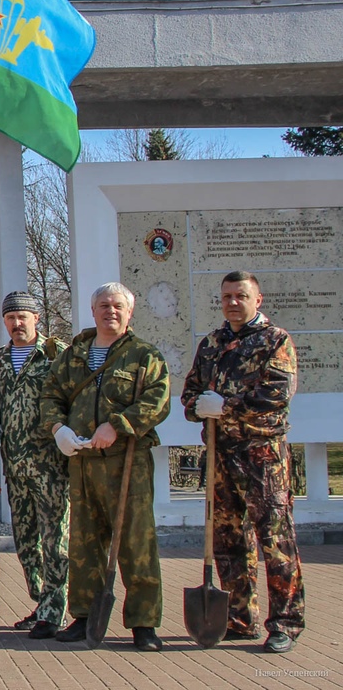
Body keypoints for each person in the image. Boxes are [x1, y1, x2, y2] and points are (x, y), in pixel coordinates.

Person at [40, 282, 170, 652]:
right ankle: (82, 616)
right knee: (84, 541)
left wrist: (118, 425)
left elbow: (157, 400)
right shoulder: (74, 354)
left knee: (135, 542)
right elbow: (51, 394)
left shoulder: (144, 355)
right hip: (82, 461)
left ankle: (144, 623)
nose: (110, 312)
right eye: (103, 306)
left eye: (117, 306)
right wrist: (58, 428)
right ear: (93, 311)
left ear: (129, 312)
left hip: (126, 462)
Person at [180, 270, 303, 654]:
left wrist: (226, 406)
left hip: (262, 458)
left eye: (240, 296)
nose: (233, 302)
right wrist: (200, 407)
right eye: (227, 296)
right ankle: (239, 618)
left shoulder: (275, 341)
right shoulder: (213, 344)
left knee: (275, 541)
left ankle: (285, 622)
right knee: (229, 541)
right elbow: (190, 394)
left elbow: (275, 396)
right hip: (220, 456)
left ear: (257, 299)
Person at [0, 291, 69, 639]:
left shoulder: (57, 355)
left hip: (50, 464)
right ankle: (42, 602)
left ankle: (55, 610)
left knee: (55, 541)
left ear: (37, 318)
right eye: (11, 318)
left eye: (23, 316)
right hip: (16, 465)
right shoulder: (1, 358)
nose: (17, 323)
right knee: (26, 543)